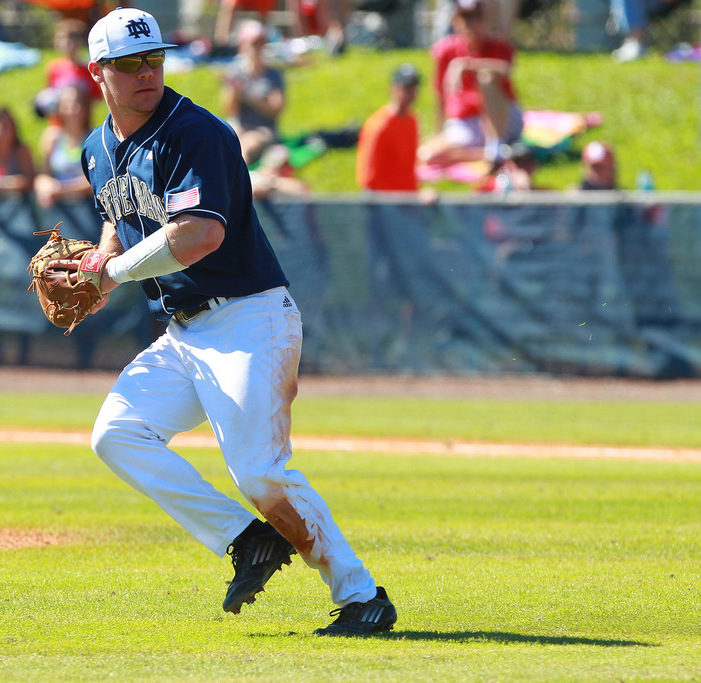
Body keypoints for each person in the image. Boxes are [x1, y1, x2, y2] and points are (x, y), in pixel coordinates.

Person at [59, 7, 397, 636]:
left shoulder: (196, 132)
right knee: (118, 434)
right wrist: (101, 259)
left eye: (154, 59)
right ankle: (248, 540)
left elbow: (199, 235)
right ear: (96, 73)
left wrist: (113, 274)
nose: (145, 72)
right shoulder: (95, 149)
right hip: (184, 332)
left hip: (250, 319)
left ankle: (362, 596)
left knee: (260, 469)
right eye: (128, 64)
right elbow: (118, 214)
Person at [418, 0, 523, 169]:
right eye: (465, 18)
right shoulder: (446, 49)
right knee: (426, 155)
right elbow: (440, 94)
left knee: (485, 78)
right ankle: (491, 154)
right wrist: (438, 130)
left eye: (475, 18)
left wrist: (467, 66)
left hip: (501, 118)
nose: (470, 24)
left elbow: (506, 69)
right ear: (456, 21)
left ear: (485, 20)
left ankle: (495, 145)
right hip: (465, 124)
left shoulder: (499, 46)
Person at [221, 19, 286, 166]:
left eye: (261, 43)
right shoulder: (235, 71)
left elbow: (275, 109)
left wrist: (247, 96)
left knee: (246, 145)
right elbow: (230, 110)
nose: (258, 48)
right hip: (238, 126)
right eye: (253, 43)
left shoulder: (273, 74)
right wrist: (234, 91)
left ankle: (239, 184)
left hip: (263, 129)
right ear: (243, 45)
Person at [356, 63, 421, 192]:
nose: (411, 94)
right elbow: (369, 180)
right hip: (385, 203)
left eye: (414, 89)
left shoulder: (413, 120)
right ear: (394, 88)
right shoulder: (379, 125)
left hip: (407, 200)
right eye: (406, 88)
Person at [34, 83, 93, 208]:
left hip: (89, 208)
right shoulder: (52, 137)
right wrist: (43, 184)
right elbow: (43, 173)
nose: (72, 109)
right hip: (60, 209)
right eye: (67, 104)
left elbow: (95, 180)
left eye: (77, 103)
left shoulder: (94, 138)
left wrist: (61, 190)